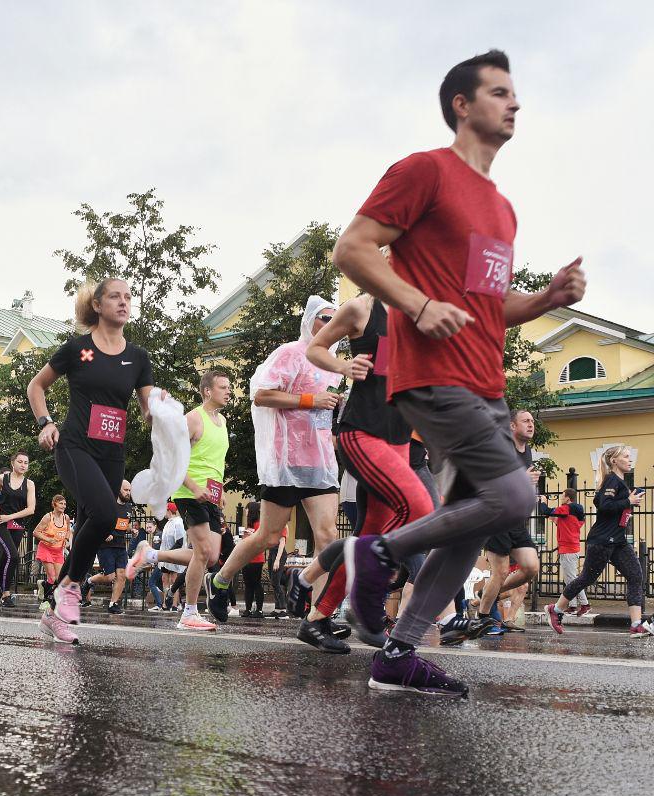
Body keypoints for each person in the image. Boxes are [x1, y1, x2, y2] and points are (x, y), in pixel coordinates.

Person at [333, 49, 587, 696]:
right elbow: (353, 247)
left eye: (515, 95)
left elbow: (492, 306)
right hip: (433, 374)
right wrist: (415, 303)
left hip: (486, 382)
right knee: (515, 496)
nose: (515, 104)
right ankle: (380, 552)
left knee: (473, 522)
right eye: (500, 92)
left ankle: (397, 652)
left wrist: (548, 299)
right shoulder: (426, 172)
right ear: (462, 105)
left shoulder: (502, 209)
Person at [292, 292, 433, 653]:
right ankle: (365, 603)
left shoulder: (422, 311)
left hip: (400, 439)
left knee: (369, 536)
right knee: (419, 511)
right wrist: (344, 366)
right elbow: (316, 348)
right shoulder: (362, 308)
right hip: (362, 431)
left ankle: (317, 617)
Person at [28, 277, 154, 644]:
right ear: (97, 305)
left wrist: (172, 423)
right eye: (115, 296)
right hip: (74, 447)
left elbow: (147, 411)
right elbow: (37, 386)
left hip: (112, 455)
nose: (124, 302)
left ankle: (54, 613)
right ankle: (68, 588)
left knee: (89, 524)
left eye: (128, 297)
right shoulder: (78, 349)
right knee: (104, 514)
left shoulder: (139, 357)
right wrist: (45, 422)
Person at [204, 296, 341, 619]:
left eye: (337, 321)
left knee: (329, 537)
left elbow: (325, 411)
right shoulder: (290, 353)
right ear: (310, 322)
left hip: (320, 462)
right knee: (267, 535)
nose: (331, 326)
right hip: (286, 461)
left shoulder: (334, 364)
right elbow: (262, 395)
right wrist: (310, 400)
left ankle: (318, 617)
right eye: (325, 318)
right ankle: (220, 580)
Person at [131, 369, 232, 631]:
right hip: (189, 493)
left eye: (229, 387)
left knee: (211, 557)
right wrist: (192, 485)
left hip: (211, 496)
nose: (229, 391)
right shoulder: (193, 419)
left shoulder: (221, 422)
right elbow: (171, 456)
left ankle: (151, 554)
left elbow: (214, 463)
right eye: (223, 387)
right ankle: (188, 612)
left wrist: (218, 494)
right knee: (203, 553)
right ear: (208, 391)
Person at [546, 446, 650, 636]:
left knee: (635, 576)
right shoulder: (612, 480)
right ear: (614, 461)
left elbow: (598, 500)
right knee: (587, 578)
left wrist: (629, 499)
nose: (629, 460)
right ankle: (557, 610)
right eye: (625, 457)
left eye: (629, 457)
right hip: (601, 540)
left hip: (618, 541)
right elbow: (603, 505)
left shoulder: (618, 483)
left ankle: (636, 624)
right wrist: (628, 502)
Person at [472, 409, 542, 636]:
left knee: (531, 567)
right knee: (500, 571)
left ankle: (488, 594)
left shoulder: (527, 451)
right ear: (512, 426)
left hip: (515, 519)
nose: (531, 425)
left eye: (532, 421)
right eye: (526, 421)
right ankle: (482, 618)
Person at [0, 451, 37, 608]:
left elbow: (31, 509)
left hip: (17, 525)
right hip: (1, 522)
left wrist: (11, 517)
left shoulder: (29, 484)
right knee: (13, 556)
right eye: (20, 462)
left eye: (26, 463)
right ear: (13, 463)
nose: (23, 465)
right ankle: (0, 594)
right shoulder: (2, 478)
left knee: (5, 559)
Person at [84, 479, 134, 614]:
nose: (128, 493)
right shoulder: (109, 505)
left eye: (130, 490)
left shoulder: (129, 507)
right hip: (105, 545)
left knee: (122, 575)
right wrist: (105, 533)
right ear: (119, 489)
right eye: (126, 490)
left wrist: (131, 529)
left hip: (121, 545)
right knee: (110, 577)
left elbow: (123, 524)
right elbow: (97, 521)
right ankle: (88, 581)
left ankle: (113, 604)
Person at [543, 488, 587, 615]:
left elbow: (545, 511)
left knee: (573, 579)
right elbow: (554, 517)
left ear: (568, 498)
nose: (561, 498)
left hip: (568, 549)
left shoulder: (566, 508)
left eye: (562, 496)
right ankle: (573, 605)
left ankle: (585, 604)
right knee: (569, 580)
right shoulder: (573, 514)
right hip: (571, 548)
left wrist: (543, 502)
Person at [32, 496, 71, 607]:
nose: (64, 506)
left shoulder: (66, 518)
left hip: (58, 550)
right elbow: (35, 532)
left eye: (64, 504)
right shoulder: (47, 517)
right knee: (52, 577)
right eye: (61, 503)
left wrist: (67, 540)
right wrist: (48, 539)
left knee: (59, 578)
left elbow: (68, 530)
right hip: (46, 548)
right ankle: (46, 601)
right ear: (54, 504)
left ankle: (44, 585)